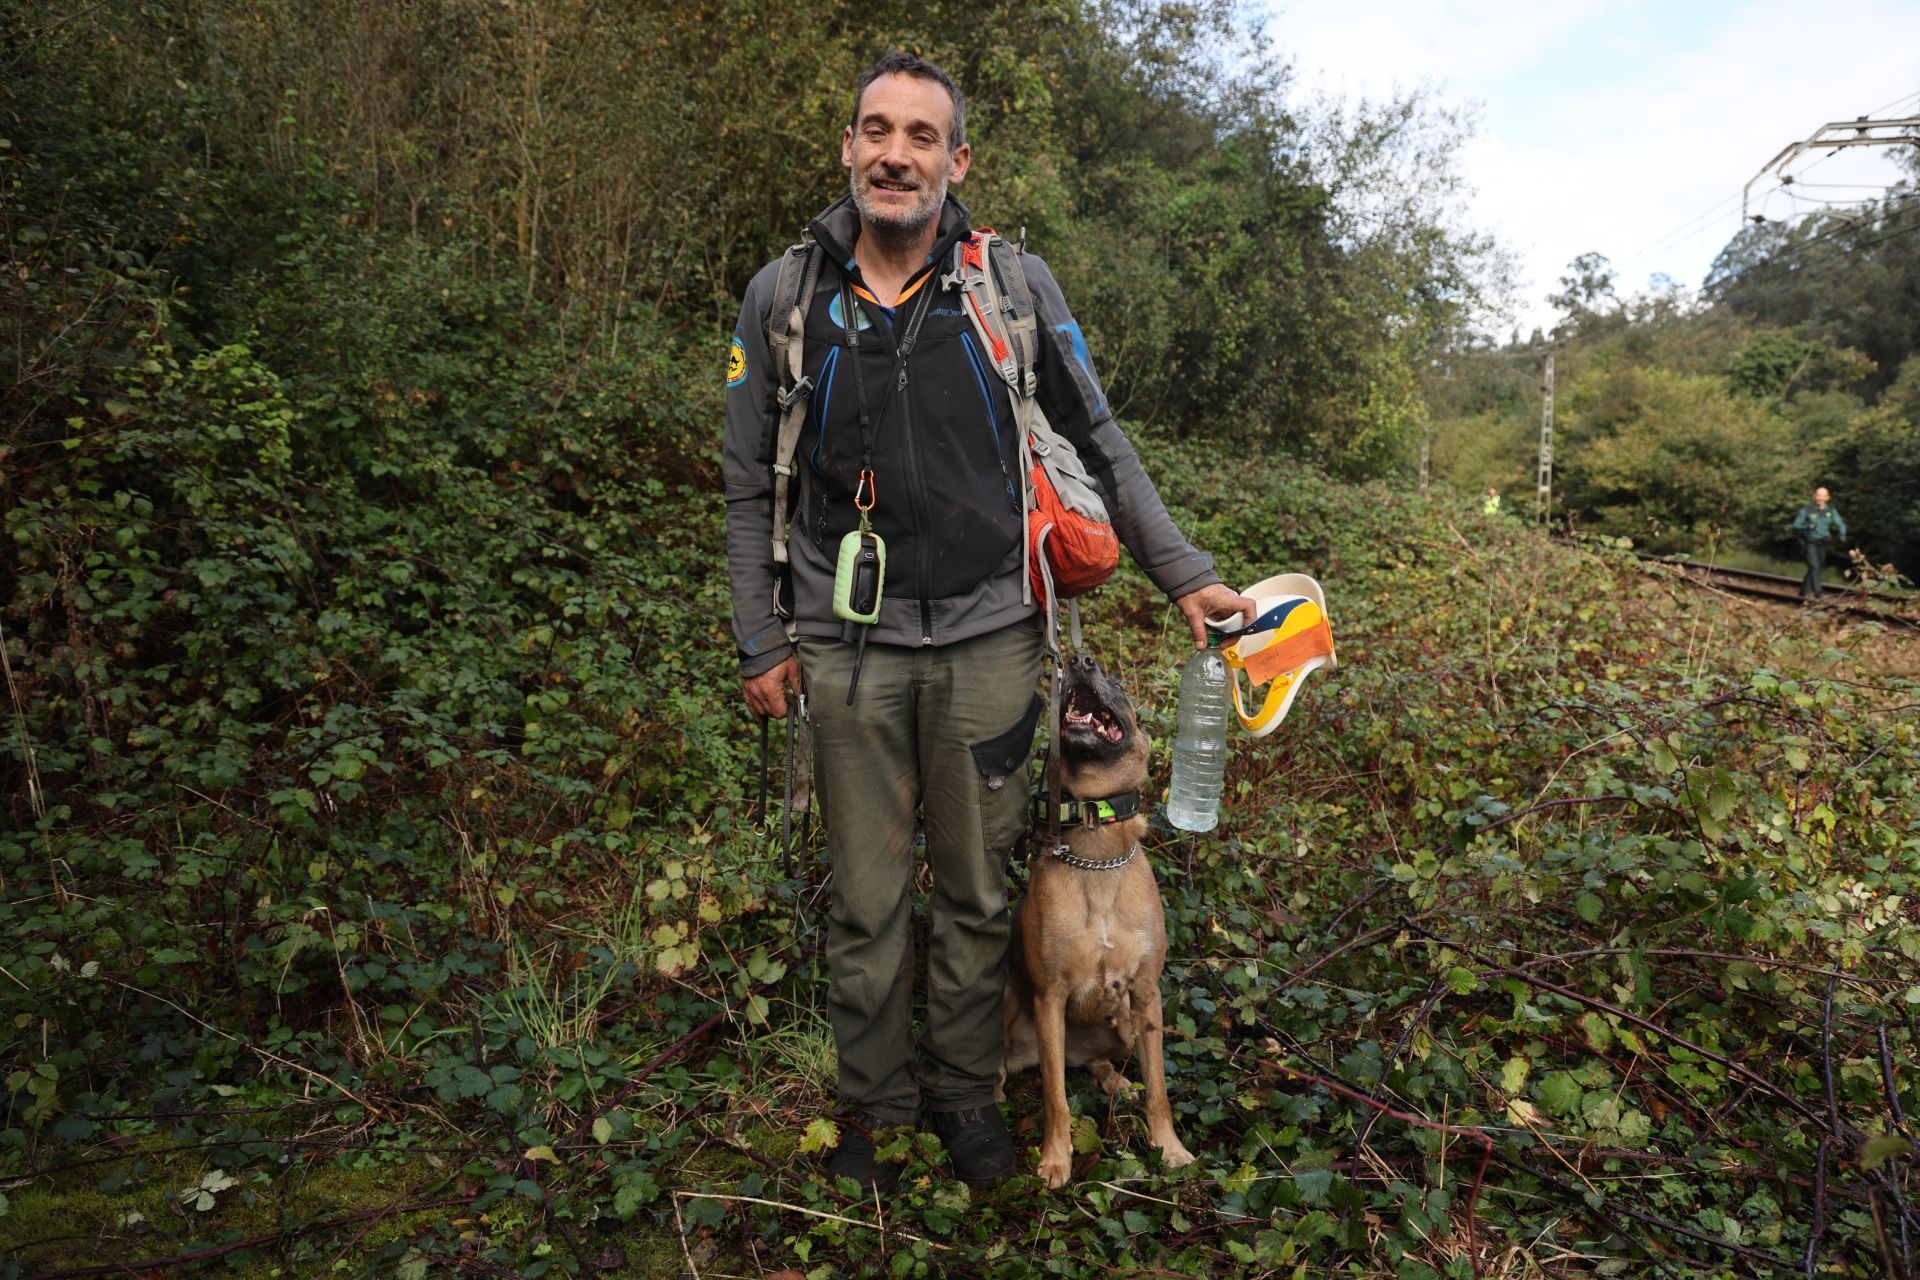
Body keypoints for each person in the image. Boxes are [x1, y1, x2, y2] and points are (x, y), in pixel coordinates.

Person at [722, 51, 1252, 1193]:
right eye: (877, 130)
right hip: (846, 649)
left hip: (992, 641)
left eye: (921, 136)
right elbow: (745, 481)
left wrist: (1185, 575)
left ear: (956, 162)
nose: (895, 154)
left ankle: (967, 1096)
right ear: (848, 148)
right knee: (866, 901)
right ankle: (874, 1108)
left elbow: (1099, 439)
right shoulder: (783, 298)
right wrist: (761, 637)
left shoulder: (1010, 287)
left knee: (973, 893)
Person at [1791, 486, 1847, 601]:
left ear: (1827, 498)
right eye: (1818, 495)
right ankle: (1819, 593)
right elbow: (1796, 525)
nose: (1820, 498)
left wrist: (1842, 533)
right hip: (1810, 542)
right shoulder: (1807, 510)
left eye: (1823, 496)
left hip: (1823, 542)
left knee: (1816, 567)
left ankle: (1804, 590)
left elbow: (1840, 524)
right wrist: (1807, 526)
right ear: (1814, 496)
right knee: (1814, 566)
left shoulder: (1830, 511)